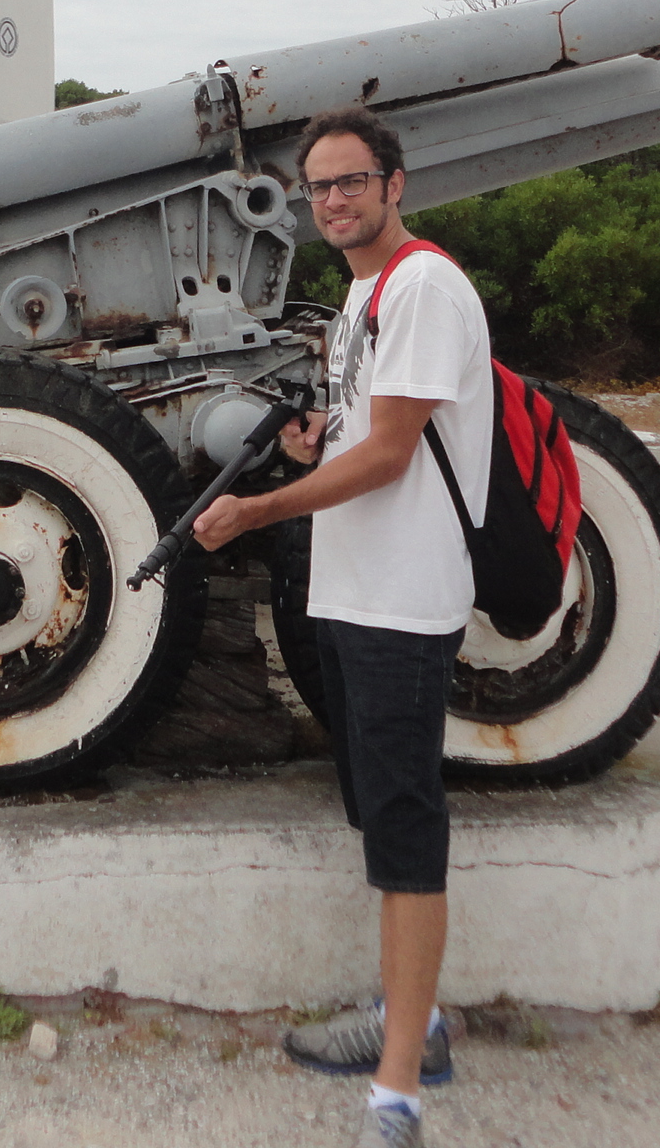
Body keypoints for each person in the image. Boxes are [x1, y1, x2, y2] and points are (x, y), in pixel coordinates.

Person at [194, 104, 492, 1148]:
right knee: (378, 811)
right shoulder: (362, 296)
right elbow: (361, 442)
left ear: (396, 182)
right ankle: (412, 1019)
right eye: (319, 187)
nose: (334, 200)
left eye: (352, 180)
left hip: (404, 602)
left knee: (408, 832)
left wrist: (260, 510)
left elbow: (395, 458)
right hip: (352, 593)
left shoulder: (422, 286)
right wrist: (317, 441)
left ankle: (399, 1093)